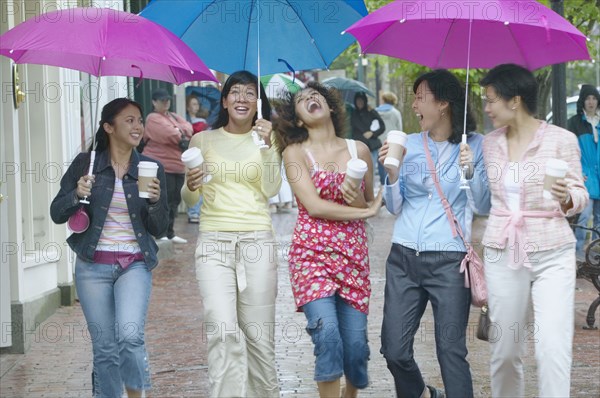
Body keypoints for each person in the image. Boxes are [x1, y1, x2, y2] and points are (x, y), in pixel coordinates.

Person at [378, 69, 490, 398]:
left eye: (419, 97)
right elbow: (394, 207)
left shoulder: (476, 145)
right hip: (403, 258)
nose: (413, 105)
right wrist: (393, 174)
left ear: (442, 104)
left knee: (450, 352)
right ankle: (424, 394)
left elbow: (482, 204)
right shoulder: (409, 144)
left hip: (449, 261)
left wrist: (471, 170)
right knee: (394, 350)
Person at [480, 64, 588, 398]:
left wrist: (567, 197)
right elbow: (481, 199)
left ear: (515, 100)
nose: (486, 108)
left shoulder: (561, 139)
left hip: (552, 250)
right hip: (503, 249)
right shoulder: (489, 144)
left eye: (491, 100)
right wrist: (467, 170)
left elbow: (580, 193)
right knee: (506, 351)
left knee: (552, 348)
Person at [50, 98, 168, 398]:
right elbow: (56, 212)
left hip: (135, 264)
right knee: (104, 347)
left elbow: (160, 227)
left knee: (129, 336)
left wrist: (154, 202)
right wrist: (77, 193)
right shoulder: (86, 163)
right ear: (108, 127)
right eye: (129, 120)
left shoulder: (151, 168)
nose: (138, 126)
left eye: (140, 120)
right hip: (92, 267)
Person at [275, 82, 383, 398]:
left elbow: (366, 200)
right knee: (328, 337)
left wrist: (363, 204)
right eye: (301, 100)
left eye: (315, 95)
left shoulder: (358, 151)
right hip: (311, 257)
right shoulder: (295, 153)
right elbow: (314, 206)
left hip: (353, 258)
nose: (309, 99)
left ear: (331, 106)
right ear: (297, 119)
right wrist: (367, 212)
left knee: (356, 348)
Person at [181, 70, 282, 397]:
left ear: (258, 104)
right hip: (214, 244)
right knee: (221, 330)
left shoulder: (269, 139)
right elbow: (189, 199)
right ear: (224, 101)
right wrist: (192, 185)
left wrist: (268, 147)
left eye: (250, 93)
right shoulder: (203, 140)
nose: (242, 98)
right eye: (235, 92)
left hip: (257, 242)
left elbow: (270, 188)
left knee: (258, 335)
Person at [142, 88, 193, 243]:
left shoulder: (172, 116)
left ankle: (169, 232)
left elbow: (189, 128)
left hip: (177, 165)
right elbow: (170, 135)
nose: (166, 103)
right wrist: (180, 132)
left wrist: (179, 130)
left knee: (174, 201)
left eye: (167, 100)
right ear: (154, 102)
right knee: (163, 200)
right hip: (162, 165)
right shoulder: (152, 118)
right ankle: (160, 233)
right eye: (162, 100)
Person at [567, 84, 600, 257]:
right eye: (587, 98)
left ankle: (595, 255)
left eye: (594, 98)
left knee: (599, 220)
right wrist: (577, 173)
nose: (591, 102)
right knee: (583, 218)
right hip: (585, 177)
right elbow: (568, 150)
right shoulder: (574, 123)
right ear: (582, 101)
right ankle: (578, 254)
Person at [351, 91, 386, 185]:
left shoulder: (371, 112)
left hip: (372, 146)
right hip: (359, 147)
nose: (359, 103)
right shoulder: (353, 114)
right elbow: (354, 130)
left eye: (361, 101)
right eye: (357, 101)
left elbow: (382, 127)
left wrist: (372, 133)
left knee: (371, 171)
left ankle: (371, 193)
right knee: (360, 172)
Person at [185, 94, 210, 223]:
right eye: (193, 104)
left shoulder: (202, 121)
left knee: (201, 181)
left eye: (197, 104)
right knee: (191, 182)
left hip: (200, 154)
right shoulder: (184, 120)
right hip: (188, 154)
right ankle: (192, 211)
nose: (196, 107)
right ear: (188, 106)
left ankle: (197, 211)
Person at [375, 91, 403, 185]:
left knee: (381, 163)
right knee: (391, 165)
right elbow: (399, 129)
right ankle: (390, 185)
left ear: (384, 100)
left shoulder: (376, 112)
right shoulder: (396, 113)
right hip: (392, 144)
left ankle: (383, 185)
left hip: (379, 142)